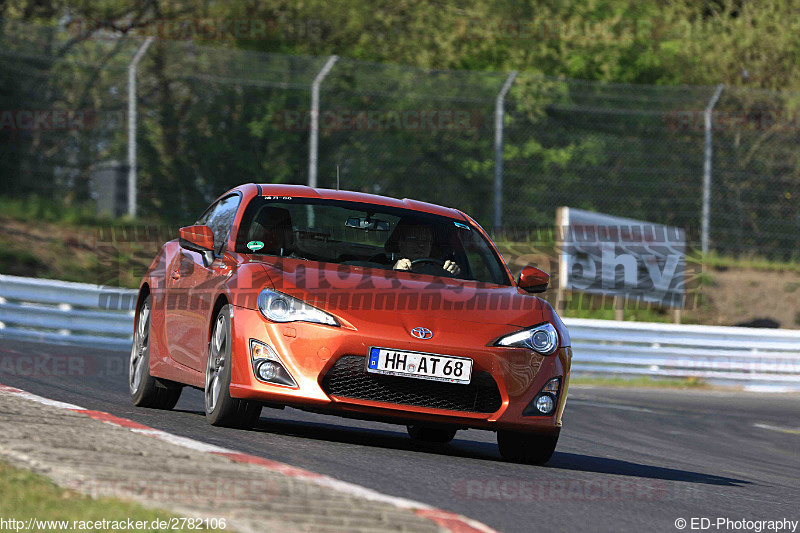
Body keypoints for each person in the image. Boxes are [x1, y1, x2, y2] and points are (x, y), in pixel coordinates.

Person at [389, 223, 461, 276]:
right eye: (414, 239)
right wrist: (394, 273)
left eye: (426, 241)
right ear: (401, 244)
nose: (421, 244)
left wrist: (454, 273)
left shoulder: (439, 272)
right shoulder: (383, 267)